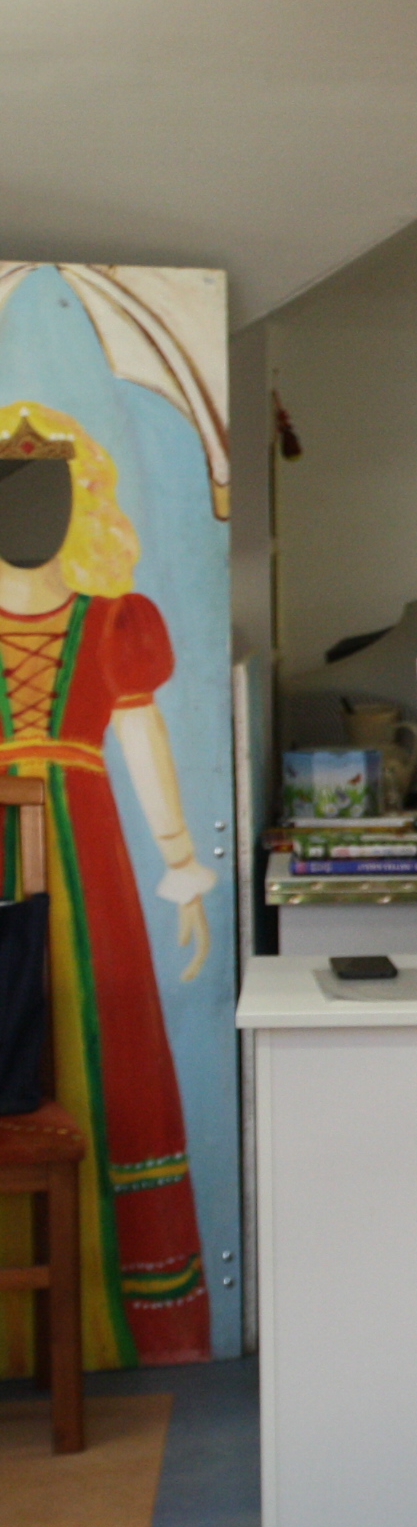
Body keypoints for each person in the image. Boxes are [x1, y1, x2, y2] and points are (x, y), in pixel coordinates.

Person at [0, 401, 214, 1369]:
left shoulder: (113, 623)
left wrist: (182, 866)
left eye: (47, 491)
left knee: (103, 1037)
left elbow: (141, 737)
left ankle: (116, 1310)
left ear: (80, 501)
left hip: (90, 861)